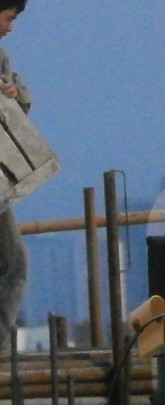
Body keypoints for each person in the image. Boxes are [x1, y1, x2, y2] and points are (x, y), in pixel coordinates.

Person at [0, 0, 29, 347]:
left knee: (14, 263)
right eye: (8, 17)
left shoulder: (2, 59)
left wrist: (14, 94)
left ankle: (1, 350)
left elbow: (21, 106)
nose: (10, 27)